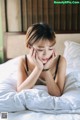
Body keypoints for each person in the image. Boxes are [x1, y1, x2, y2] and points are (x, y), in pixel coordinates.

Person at [17, 23, 66, 96]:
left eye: (50, 48)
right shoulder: (23, 61)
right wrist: (39, 68)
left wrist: (46, 70)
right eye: (40, 49)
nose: (46, 54)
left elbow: (57, 94)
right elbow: (20, 90)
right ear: (29, 46)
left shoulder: (60, 61)